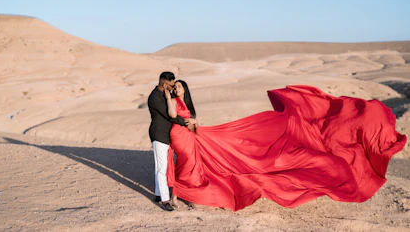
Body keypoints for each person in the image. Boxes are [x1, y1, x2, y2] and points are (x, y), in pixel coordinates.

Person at [165, 81, 407, 211]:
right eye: (176, 88)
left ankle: (180, 191)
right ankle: (180, 191)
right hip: (182, 133)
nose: (178, 90)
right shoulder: (174, 101)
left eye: (180, 88)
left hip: (188, 132)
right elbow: (174, 115)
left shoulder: (186, 103)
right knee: (193, 160)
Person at [147, 72, 195, 211]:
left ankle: (157, 193)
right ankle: (165, 200)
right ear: (164, 84)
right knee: (162, 167)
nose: (173, 88)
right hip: (159, 134)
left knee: (161, 165)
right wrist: (187, 123)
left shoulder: (164, 94)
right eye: (172, 85)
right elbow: (171, 116)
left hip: (166, 135)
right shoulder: (155, 98)